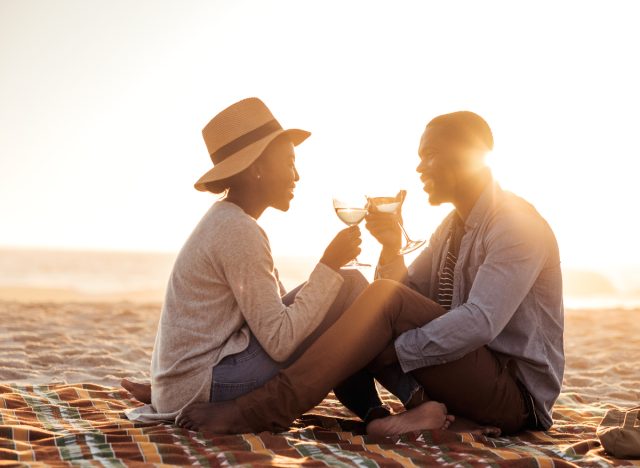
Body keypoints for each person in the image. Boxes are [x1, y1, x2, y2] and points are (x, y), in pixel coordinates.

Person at [173, 110, 564, 437]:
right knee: (359, 301)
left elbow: (480, 321)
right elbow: (407, 294)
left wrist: (390, 347)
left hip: (515, 397)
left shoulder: (515, 223)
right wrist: (392, 247)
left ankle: (258, 411)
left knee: (370, 309)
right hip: (467, 375)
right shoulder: (452, 227)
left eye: (429, 155)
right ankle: (388, 418)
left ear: (467, 157)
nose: (418, 166)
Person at [123, 97, 454, 435]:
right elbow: (281, 341)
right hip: (204, 385)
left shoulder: (229, 222)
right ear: (257, 168)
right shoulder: (238, 230)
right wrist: (328, 265)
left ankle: (382, 413)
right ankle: (413, 402)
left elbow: (279, 314)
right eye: (289, 162)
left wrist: (331, 278)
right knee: (351, 286)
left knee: (347, 291)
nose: (296, 175)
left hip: (191, 380)